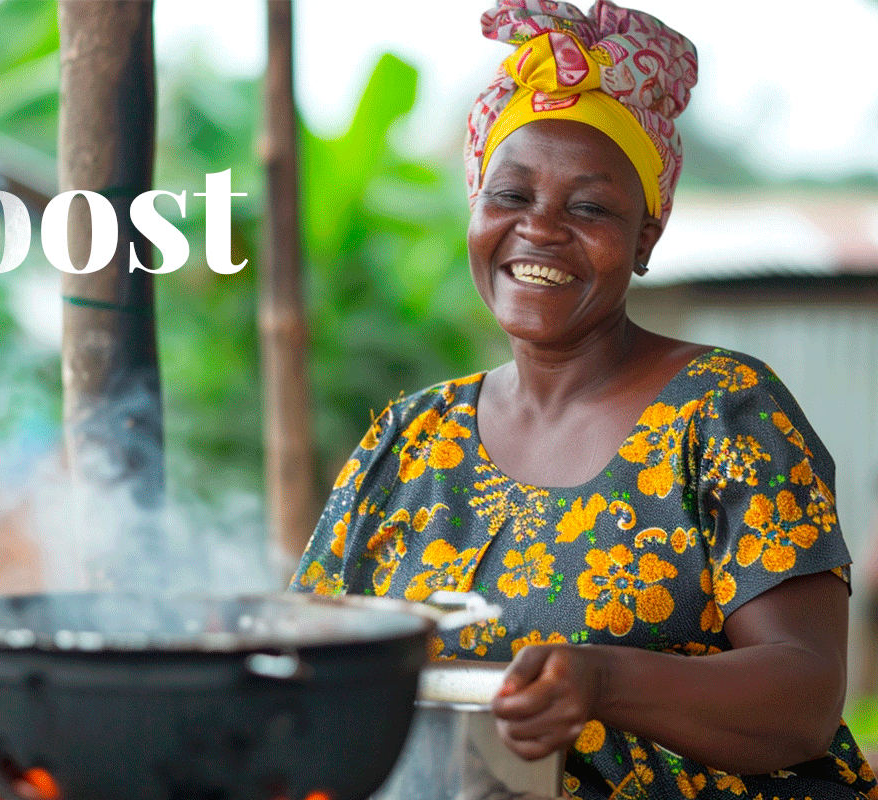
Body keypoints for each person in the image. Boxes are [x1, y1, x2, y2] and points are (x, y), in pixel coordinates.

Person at [289, 1, 878, 798]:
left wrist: (602, 682)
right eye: (510, 196)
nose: (541, 229)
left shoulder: (725, 412)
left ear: (645, 237)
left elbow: (805, 698)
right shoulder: (409, 438)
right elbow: (309, 657)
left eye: (590, 207)